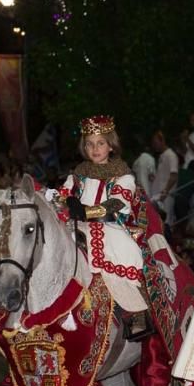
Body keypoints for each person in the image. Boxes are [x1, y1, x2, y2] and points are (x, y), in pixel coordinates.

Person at [58, 115, 150, 318]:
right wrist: (63, 201)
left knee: (127, 253)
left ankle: (135, 313)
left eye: (100, 143)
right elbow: (62, 195)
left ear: (110, 146)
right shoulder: (77, 175)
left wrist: (86, 211)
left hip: (109, 228)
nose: (95, 149)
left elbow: (117, 202)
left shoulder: (123, 175)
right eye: (89, 144)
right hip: (77, 226)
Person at [150, 130, 179, 223]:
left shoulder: (171, 155)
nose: (154, 145)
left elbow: (174, 175)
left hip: (165, 197)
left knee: (165, 222)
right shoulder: (162, 156)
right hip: (158, 195)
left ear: (162, 141)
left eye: (156, 142)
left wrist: (165, 191)